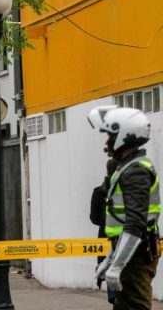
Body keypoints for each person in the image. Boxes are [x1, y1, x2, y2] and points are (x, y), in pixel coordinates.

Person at [90, 106, 160, 310]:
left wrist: (117, 265)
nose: (107, 142)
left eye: (110, 136)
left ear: (124, 135)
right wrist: (110, 259)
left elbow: (135, 223)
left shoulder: (136, 171)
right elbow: (124, 225)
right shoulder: (128, 167)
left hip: (135, 257)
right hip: (130, 254)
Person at [89, 158, 119, 303]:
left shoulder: (98, 192)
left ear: (107, 171)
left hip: (105, 237)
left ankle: (113, 295)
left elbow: (94, 218)